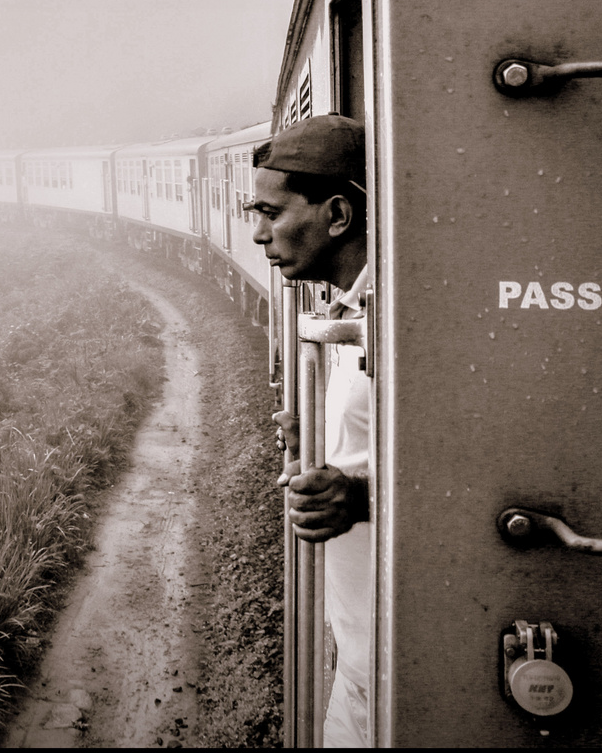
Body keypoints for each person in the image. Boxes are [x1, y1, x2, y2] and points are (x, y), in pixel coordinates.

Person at [247, 113, 371, 747]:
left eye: (271, 213)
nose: (257, 234)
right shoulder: (347, 311)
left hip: (395, 662)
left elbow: (473, 464)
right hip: (359, 653)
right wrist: (314, 444)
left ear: (339, 216)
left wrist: (363, 497)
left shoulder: (403, 318)